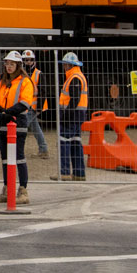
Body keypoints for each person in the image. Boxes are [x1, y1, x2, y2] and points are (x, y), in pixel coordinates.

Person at [0, 51, 35, 204]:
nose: (9, 67)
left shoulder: (25, 81)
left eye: (12, 64)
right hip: (3, 122)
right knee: (5, 159)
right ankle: (7, 190)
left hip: (18, 122)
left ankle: (23, 190)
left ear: (18, 65)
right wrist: (0, 110)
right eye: (7, 64)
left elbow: (25, 102)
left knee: (19, 157)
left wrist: (8, 112)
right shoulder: (0, 80)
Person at [49, 52, 89, 181]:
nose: (64, 67)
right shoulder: (77, 76)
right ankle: (79, 173)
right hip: (77, 115)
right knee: (76, 143)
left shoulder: (74, 77)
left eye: (65, 65)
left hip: (71, 115)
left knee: (64, 142)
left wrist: (65, 116)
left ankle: (64, 172)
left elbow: (74, 99)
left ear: (69, 65)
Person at [20, 50, 51, 160]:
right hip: (25, 105)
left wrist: (39, 108)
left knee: (22, 127)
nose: (28, 62)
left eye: (30, 60)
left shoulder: (38, 74)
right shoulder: (21, 73)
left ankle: (15, 150)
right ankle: (43, 150)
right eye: (26, 60)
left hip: (33, 106)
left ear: (34, 61)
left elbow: (43, 91)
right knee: (35, 127)